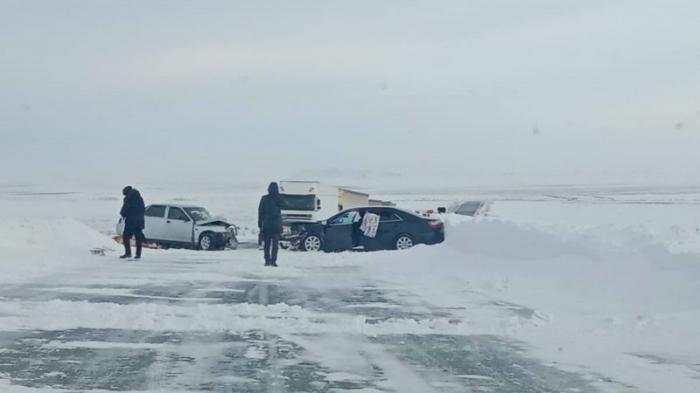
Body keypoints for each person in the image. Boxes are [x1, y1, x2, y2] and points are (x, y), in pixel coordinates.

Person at [258, 182, 283, 266]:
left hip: (267, 224)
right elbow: (283, 207)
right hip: (276, 225)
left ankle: (267, 260)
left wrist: (260, 224)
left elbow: (260, 212)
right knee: (275, 245)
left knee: (267, 245)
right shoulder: (279, 198)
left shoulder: (264, 198)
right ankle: (273, 261)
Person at [119, 186, 146, 259]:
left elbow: (125, 208)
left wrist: (122, 213)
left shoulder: (128, 197)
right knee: (138, 238)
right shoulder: (140, 198)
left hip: (131, 221)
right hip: (140, 221)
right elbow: (144, 209)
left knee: (126, 236)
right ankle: (138, 254)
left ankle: (128, 253)